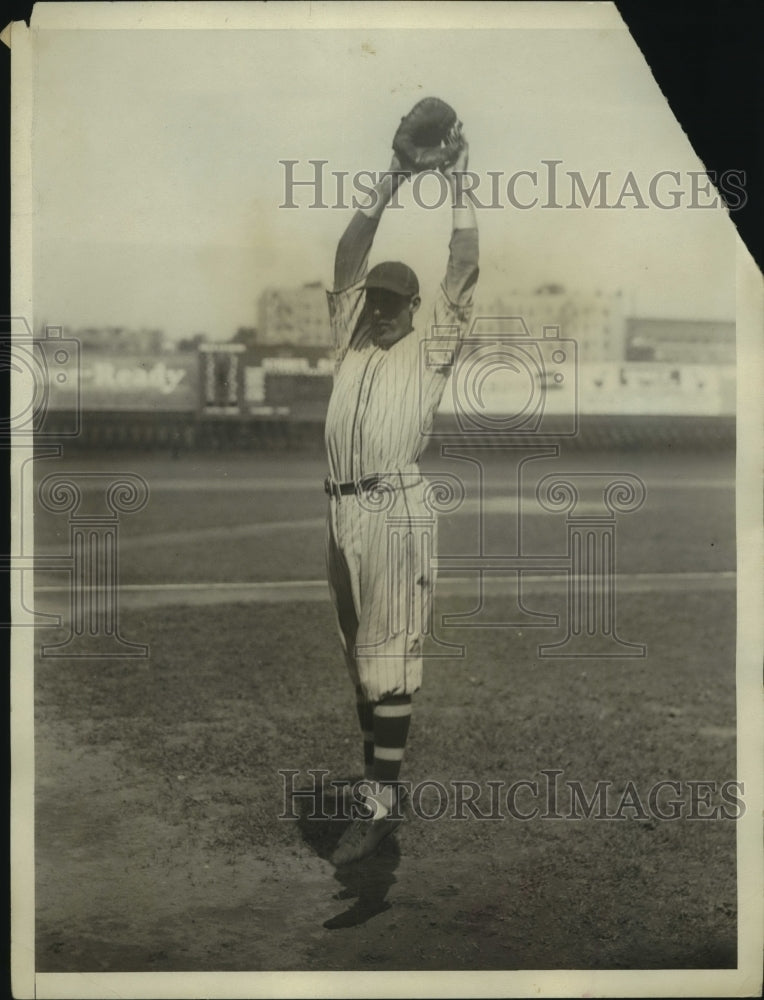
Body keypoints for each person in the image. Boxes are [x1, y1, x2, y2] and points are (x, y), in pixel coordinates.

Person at [323, 135, 478, 866]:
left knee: (389, 658)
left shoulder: (430, 346)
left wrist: (458, 181)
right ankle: (377, 787)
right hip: (343, 510)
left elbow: (464, 268)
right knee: (361, 659)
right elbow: (349, 252)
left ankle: (382, 798)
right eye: (374, 300)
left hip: (395, 508)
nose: (379, 309)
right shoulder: (349, 342)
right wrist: (391, 175)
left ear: (414, 307)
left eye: (392, 302)